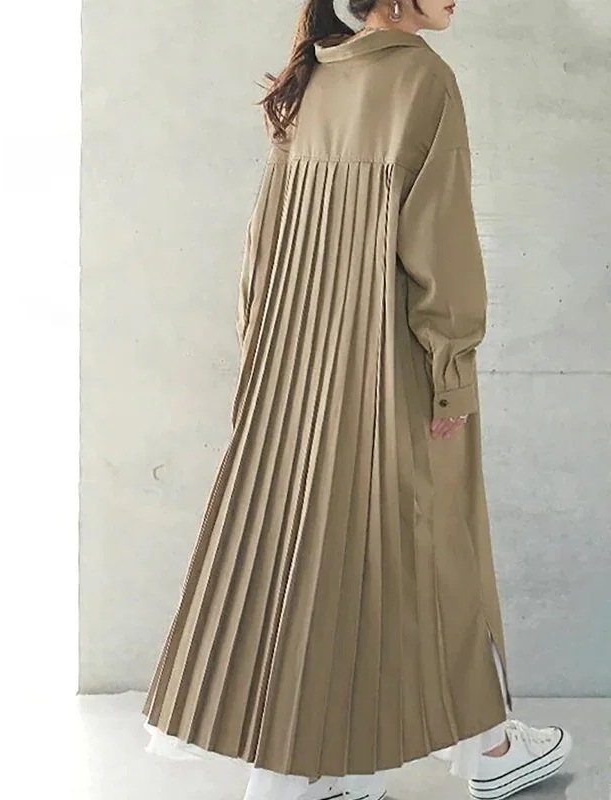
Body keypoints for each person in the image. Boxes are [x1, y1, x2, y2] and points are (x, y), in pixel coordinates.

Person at [140, 2, 574, 800]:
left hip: (292, 358)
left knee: (309, 546)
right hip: (390, 358)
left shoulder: (313, 75)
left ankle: (305, 768)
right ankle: (485, 748)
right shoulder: (422, 79)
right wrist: (450, 366)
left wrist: (263, 351)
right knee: (433, 542)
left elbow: (263, 238)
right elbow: (440, 245)